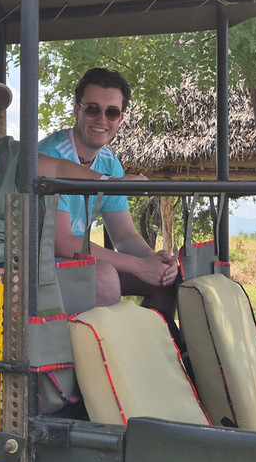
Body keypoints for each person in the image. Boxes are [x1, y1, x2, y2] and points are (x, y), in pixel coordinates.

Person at [0, 61, 124, 305]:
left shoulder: (9, 152)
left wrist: (110, 181)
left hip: (10, 266)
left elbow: (58, 167)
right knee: (15, 288)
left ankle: (89, 343)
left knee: (104, 278)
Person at [39, 68, 178, 319]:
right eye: (92, 109)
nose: (102, 119)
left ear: (120, 118)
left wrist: (152, 260)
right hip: (40, 266)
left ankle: (157, 350)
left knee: (167, 280)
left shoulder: (108, 161)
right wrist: (138, 266)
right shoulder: (52, 154)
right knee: (104, 277)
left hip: (75, 264)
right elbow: (62, 242)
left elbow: (124, 235)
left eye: (111, 112)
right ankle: (102, 356)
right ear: (76, 110)